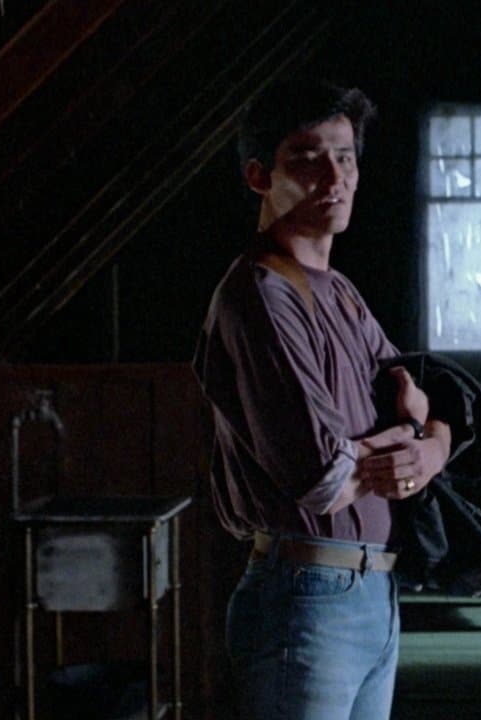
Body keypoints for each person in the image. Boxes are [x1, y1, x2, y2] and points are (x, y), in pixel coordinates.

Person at [193, 80, 451, 720]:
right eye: (308, 159)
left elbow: (427, 402)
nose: (334, 177)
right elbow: (323, 479)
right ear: (260, 176)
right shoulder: (262, 296)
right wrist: (409, 441)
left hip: (369, 588)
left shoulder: (339, 293)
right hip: (307, 592)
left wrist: (433, 450)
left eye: (345, 156)